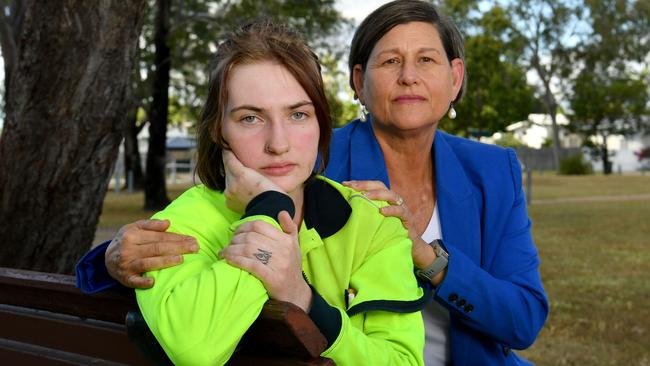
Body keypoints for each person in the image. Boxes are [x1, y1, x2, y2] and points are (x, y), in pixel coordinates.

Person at [77, 1, 549, 365]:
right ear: (357, 82)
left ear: (455, 77)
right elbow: (208, 215)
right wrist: (112, 258)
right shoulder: (312, 161)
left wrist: (427, 257)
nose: (409, 77)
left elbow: (523, 318)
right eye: (389, 62)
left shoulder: (493, 170)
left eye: (427, 59)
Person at [89, 21, 426, 365]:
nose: (278, 144)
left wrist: (302, 297)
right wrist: (268, 208)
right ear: (219, 131)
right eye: (251, 118)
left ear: (321, 123)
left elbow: (403, 360)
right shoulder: (179, 224)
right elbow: (194, 352)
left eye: (298, 114)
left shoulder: (372, 222)